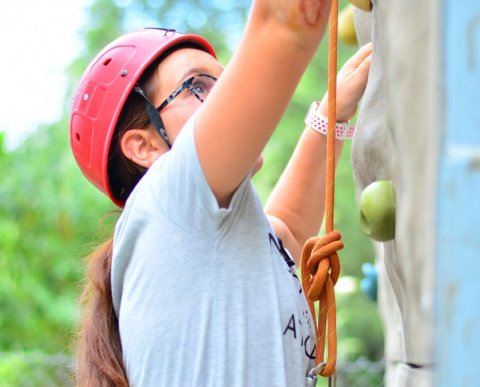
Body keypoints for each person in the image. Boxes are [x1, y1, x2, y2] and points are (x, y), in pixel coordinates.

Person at [70, 2, 372, 386]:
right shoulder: (166, 194)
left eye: (225, 80)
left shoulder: (197, 236)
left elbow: (287, 232)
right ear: (144, 146)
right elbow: (288, 19)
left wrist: (330, 116)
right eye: (197, 85)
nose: (228, 95)